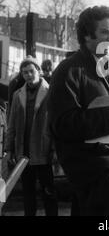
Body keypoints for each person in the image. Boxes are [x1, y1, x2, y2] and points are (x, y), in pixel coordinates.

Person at [47, 6, 109, 216]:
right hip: (92, 166)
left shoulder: (106, 69)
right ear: (87, 35)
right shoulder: (68, 70)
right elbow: (62, 124)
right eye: (105, 32)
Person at [5, 56, 58, 216]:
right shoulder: (17, 95)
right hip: (24, 152)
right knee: (28, 194)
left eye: (31, 71)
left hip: (43, 150)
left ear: (39, 71)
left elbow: (55, 124)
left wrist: (55, 150)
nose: (28, 75)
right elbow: (11, 124)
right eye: (24, 72)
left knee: (48, 192)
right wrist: (9, 149)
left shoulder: (50, 93)